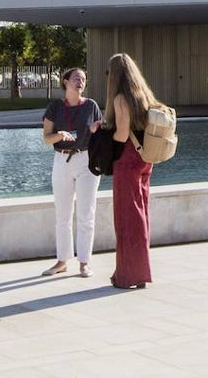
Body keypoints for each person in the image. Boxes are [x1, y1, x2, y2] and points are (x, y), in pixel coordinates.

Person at [104, 52, 160, 290]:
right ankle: (139, 271)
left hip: (127, 159)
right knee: (141, 215)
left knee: (127, 219)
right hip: (145, 158)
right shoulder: (143, 95)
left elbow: (121, 134)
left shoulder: (120, 99)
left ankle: (128, 275)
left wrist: (102, 134)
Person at [40, 67, 103, 278]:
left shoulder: (91, 105)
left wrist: (97, 128)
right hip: (61, 160)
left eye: (84, 79)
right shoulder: (55, 107)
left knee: (86, 214)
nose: (81, 82)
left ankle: (85, 262)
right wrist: (59, 135)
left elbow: (101, 129)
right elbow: (46, 138)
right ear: (66, 81)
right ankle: (61, 261)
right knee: (63, 215)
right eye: (76, 78)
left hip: (86, 160)